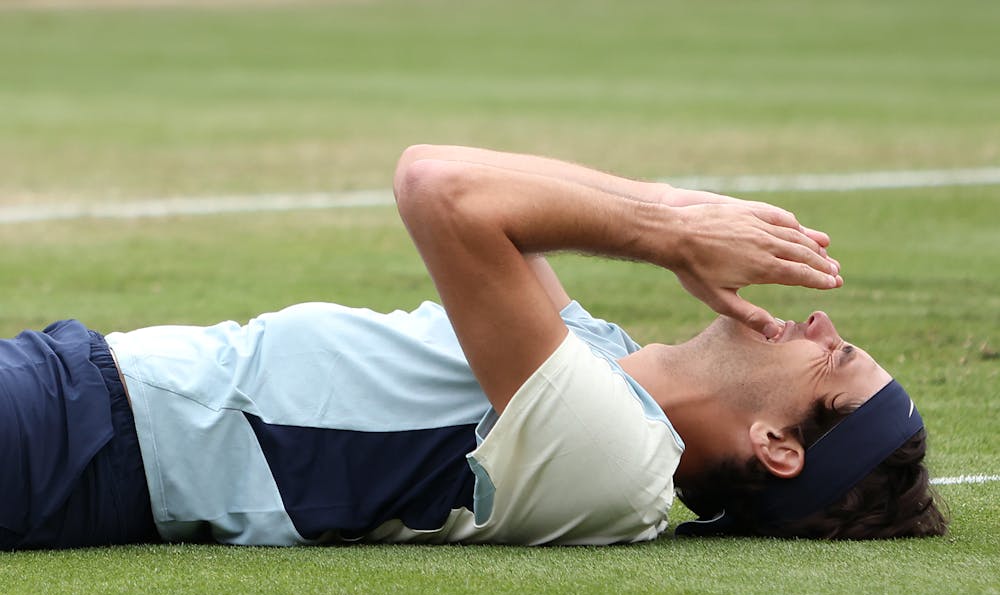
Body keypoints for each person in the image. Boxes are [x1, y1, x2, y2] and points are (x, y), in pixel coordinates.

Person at [0, 145, 946, 550]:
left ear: (780, 445)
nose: (817, 324)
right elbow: (509, 196)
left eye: (833, 359)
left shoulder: (617, 462)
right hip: (86, 402)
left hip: (88, 439)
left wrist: (665, 225)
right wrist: (681, 217)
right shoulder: (602, 368)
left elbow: (441, 186)